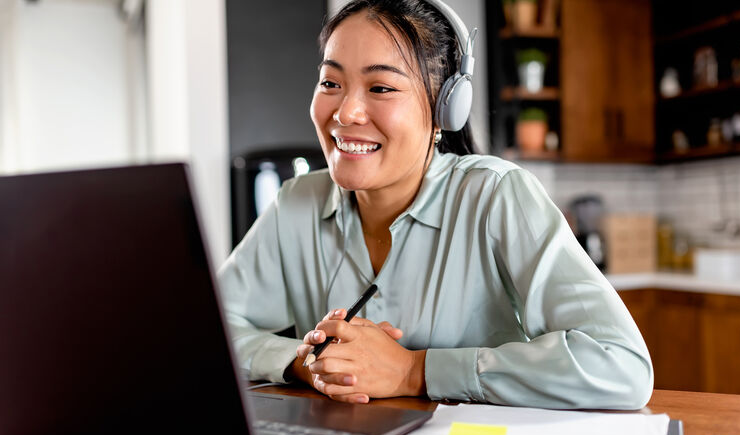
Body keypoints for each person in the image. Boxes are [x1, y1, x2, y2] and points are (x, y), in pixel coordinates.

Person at [218, 0, 653, 409]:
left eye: (381, 87)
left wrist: (414, 370)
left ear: (447, 109)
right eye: (331, 82)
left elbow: (620, 363)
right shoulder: (297, 203)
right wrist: (304, 361)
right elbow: (204, 330)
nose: (346, 112)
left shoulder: (496, 195)